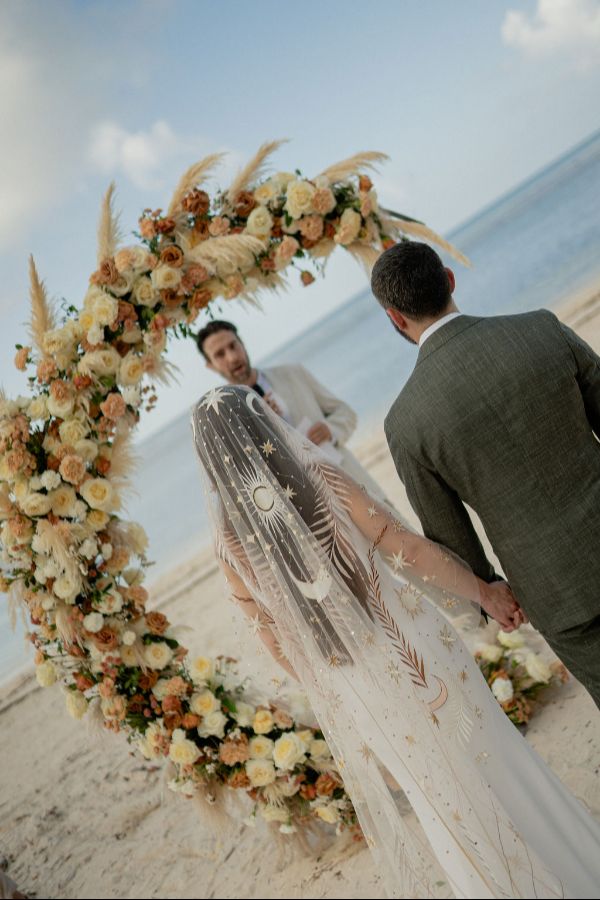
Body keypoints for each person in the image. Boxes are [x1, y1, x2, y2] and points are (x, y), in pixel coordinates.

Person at [192, 385, 600, 899]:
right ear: (263, 427)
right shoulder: (321, 479)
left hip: (359, 688)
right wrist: (484, 592)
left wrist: (334, 693)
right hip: (416, 645)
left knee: (439, 802)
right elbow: (403, 547)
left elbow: (277, 643)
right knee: (497, 758)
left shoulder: (230, 548)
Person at [371, 241, 600, 709]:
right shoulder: (540, 327)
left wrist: (489, 591)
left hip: (555, 590)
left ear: (395, 317)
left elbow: (449, 534)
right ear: (451, 280)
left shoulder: (406, 422)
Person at [195, 319, 387, 501]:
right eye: (220, 354)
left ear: (242, 344)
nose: (232, 357)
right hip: (312, 512)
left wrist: (330, 429)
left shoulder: (293, 373)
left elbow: (345, 412)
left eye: (233, 345)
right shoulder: (230, 419)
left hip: (355, 485)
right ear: (210, 365)